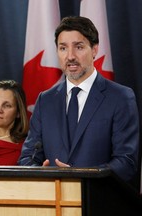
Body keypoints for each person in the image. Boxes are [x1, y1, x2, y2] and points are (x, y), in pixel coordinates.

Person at [18, 16, 139, 182]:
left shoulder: (120, 98)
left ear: (94, 49)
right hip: (54, 201)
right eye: (63, 48)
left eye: (79, 47)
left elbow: (126, 162)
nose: (70, 56)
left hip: (99, 202)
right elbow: (27, 158)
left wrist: (81, 178)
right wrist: (41, 174)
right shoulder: (45, 101)